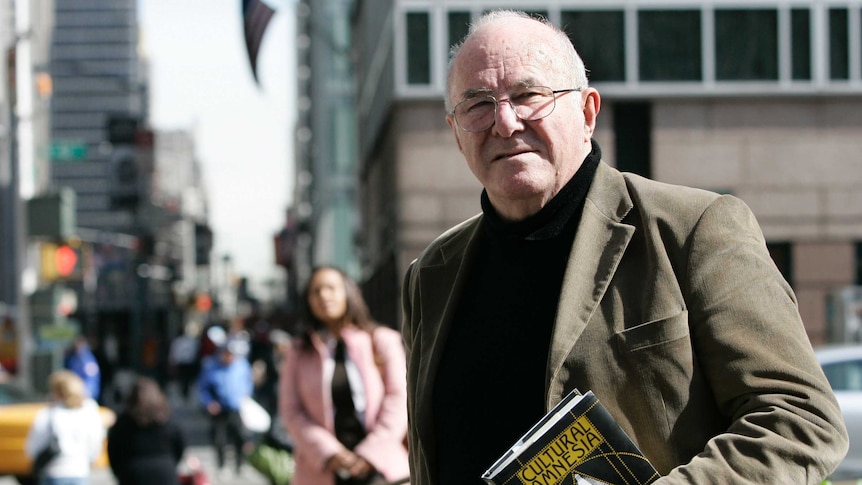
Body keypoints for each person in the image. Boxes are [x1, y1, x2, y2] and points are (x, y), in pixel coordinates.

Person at [400, 9, 849, 485]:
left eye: (528, 95)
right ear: (456, 132)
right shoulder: (432, 274)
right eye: (478, 105)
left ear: (588, 111)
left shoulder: (693, 230)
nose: (505, 122)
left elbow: (801, 420)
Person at [279, 266, 409, 485]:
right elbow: (291, 410)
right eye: (316, 291)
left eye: (331, 288)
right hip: (321, 469)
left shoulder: (382, 341)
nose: (323, 295)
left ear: (348, 292)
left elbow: (399, 400)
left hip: (382, 468)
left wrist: (370, 454)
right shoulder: (298, 351)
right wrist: (331, 453)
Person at [25, 370, 106, 485]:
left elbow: (32, 447)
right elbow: (95, 442)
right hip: (80, 472)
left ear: (57, 392)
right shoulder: (89, 411)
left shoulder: (48, 413)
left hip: (53, 472)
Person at [107, 376, 186, 485]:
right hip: (165, 474)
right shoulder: (166, 419)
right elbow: (179, 446)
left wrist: (120, 472)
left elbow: (113, 450)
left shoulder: (123, 422)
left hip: (132, 474)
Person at [197, 335, 254, 477]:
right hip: (219, 408)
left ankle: (240, 464)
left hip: (237, 408)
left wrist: (247, 395)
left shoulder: (242, 365)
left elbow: (248, 383)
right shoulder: (211, 366)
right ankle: (222, 465)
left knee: (240, 437)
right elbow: (202, 388)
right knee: (219, 439)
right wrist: (209, 402)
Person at [64, 335, 101, 402]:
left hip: (84, 397)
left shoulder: (87, 359)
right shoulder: (73, 357)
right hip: (74, 395)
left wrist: (87, 394)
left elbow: (92, 379)